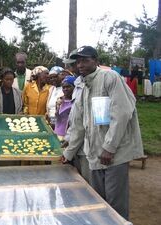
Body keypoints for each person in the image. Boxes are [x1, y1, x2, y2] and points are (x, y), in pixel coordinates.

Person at [61, 46, 144, 220]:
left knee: (115, 204)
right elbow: (78, 125)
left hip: (115, 154)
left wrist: (110, 147)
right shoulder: (83, 86)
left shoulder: (110, 78)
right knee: (99, 202)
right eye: (78, 61)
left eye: (85, 60)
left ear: (96, 61)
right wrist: (68, 154)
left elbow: (121, 114)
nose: (80, 65)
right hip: (95, 154)